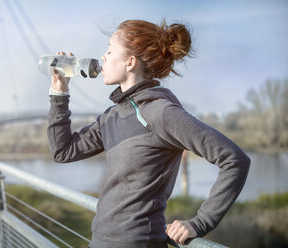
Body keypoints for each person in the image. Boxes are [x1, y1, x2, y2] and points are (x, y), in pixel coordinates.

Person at [47, 20, 250, 247]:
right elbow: (62, 151)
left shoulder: (161, 113)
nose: (103, 57)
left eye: (110, 50)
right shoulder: (112, 116)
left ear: (130, 62)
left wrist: (200, 222)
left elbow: (235, 160)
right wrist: (59, 92)